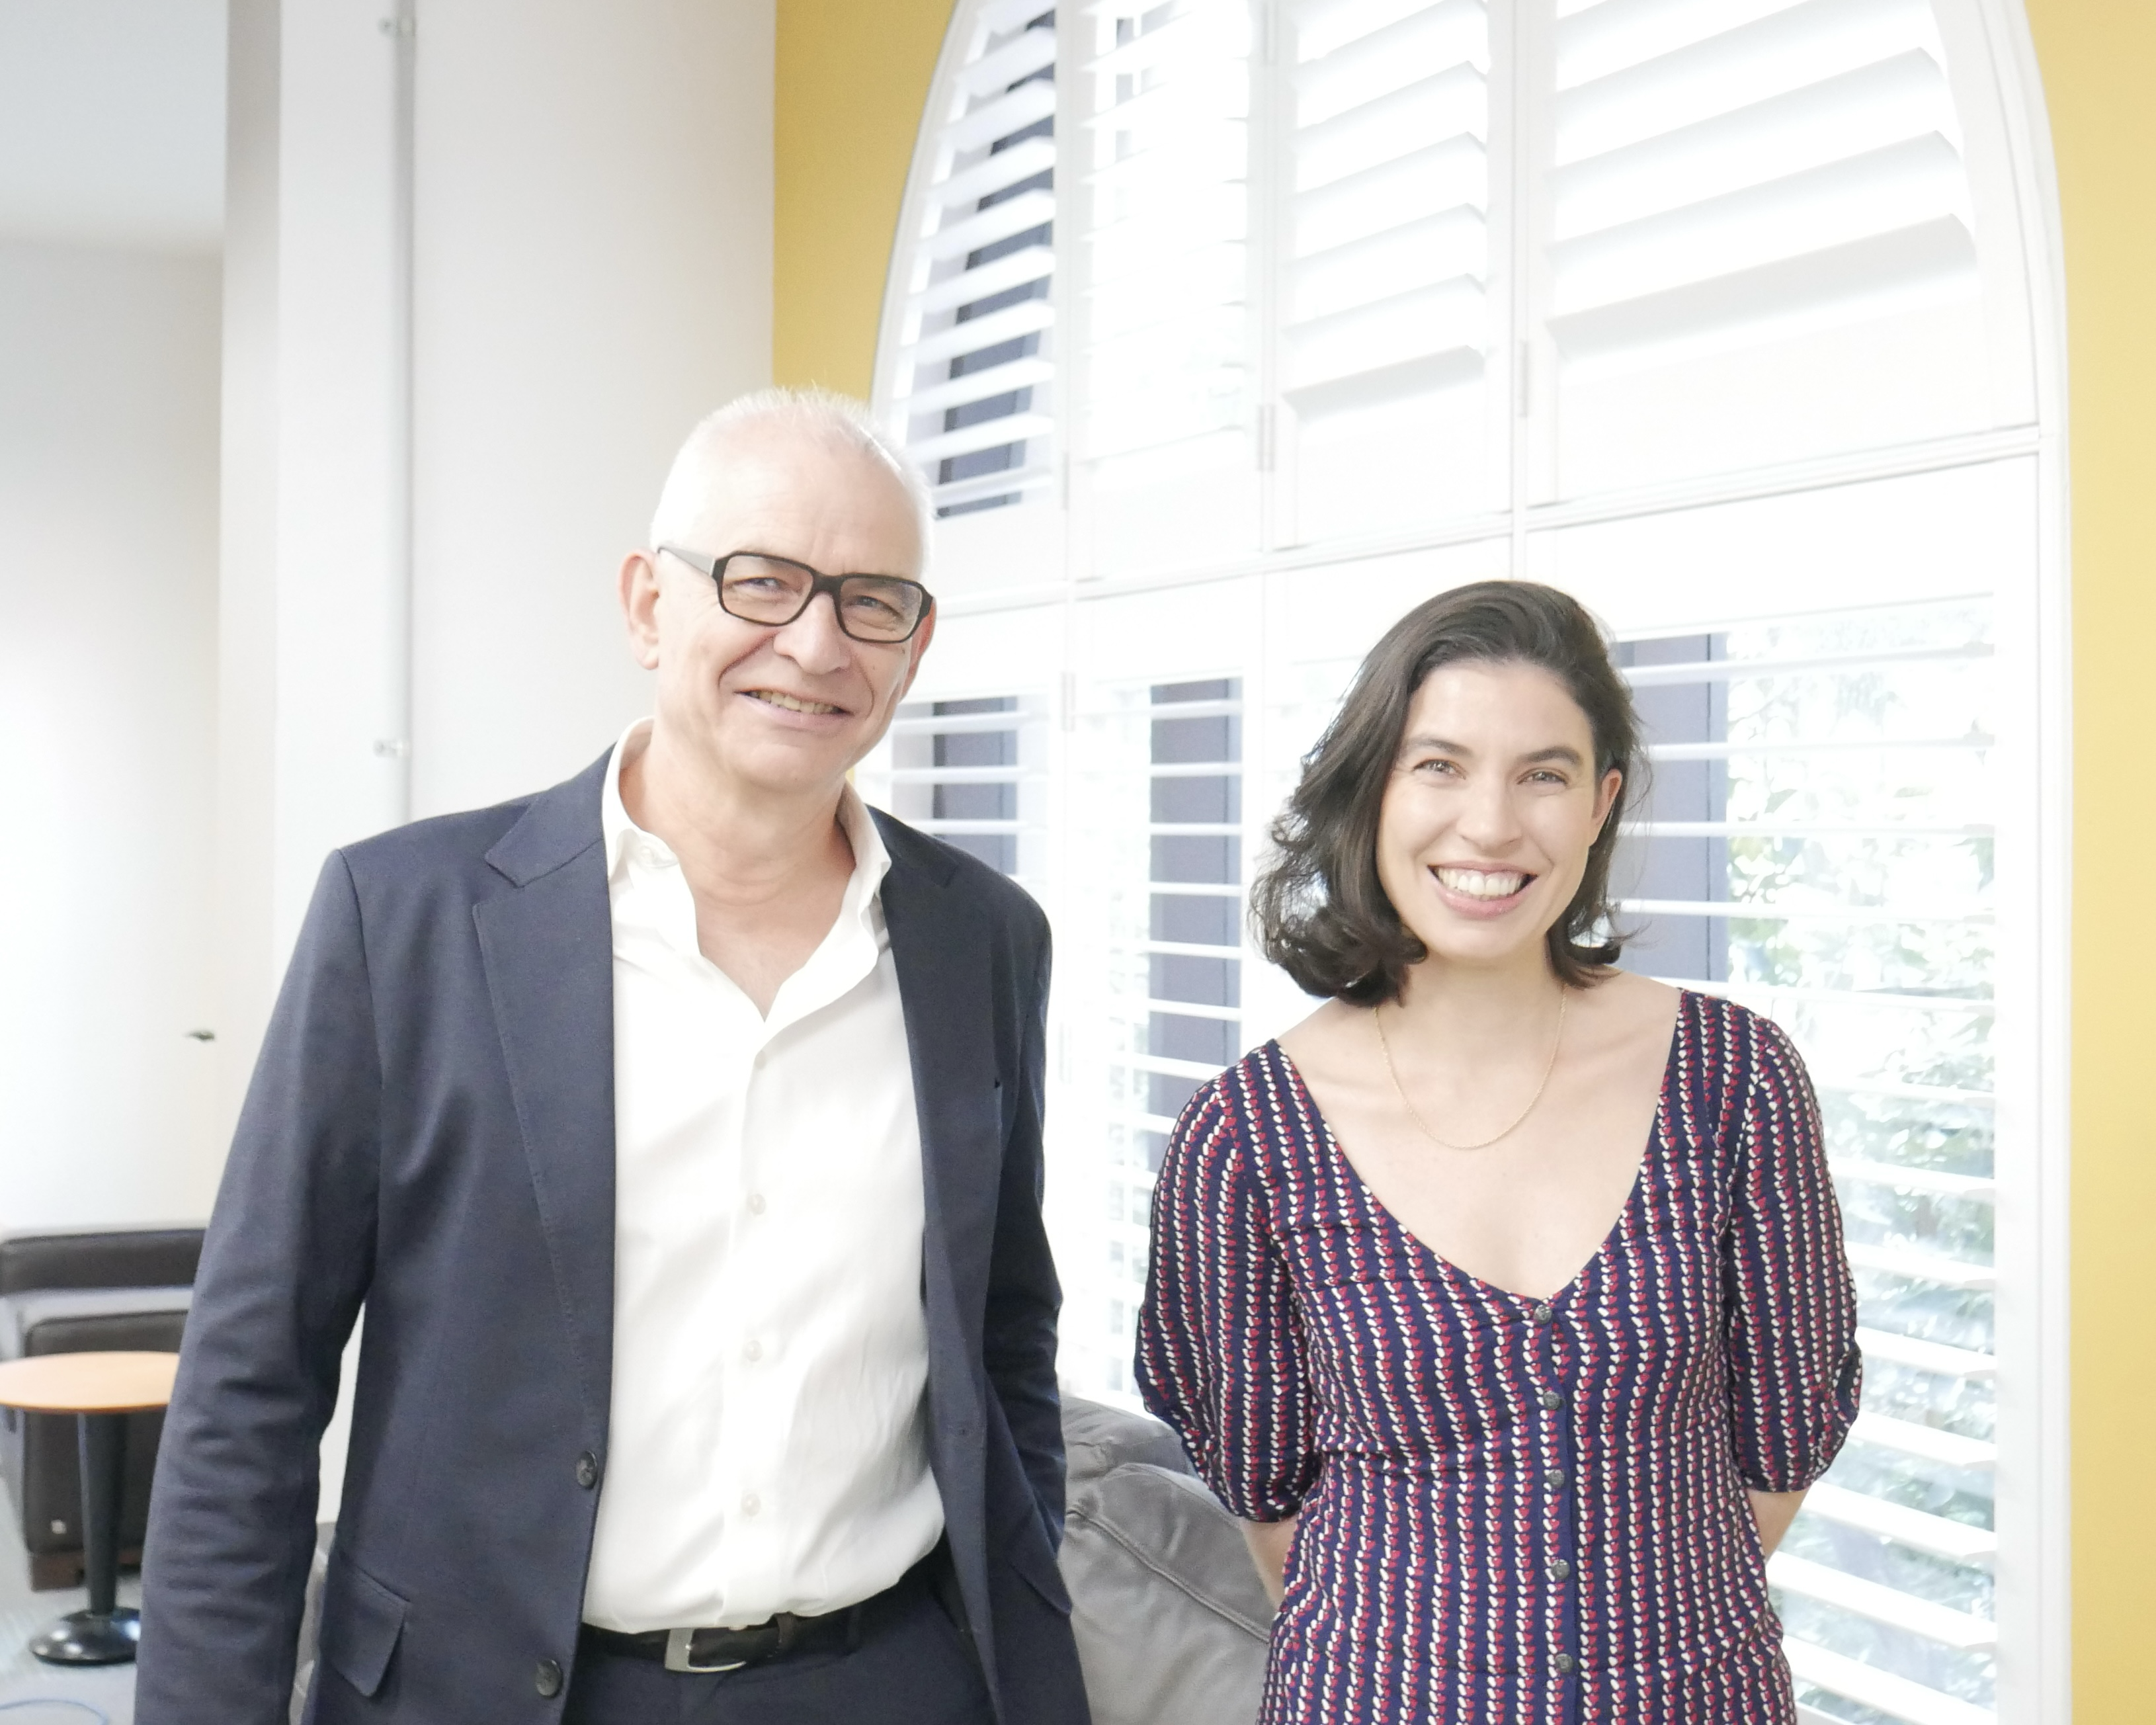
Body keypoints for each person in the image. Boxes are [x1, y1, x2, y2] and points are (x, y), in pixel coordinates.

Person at [138, 390, 1087, 1725]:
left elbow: (1002, 1322)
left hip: (891, 1675)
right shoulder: (407, 915)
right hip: (501, 1687)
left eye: (872, 599)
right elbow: (253, 1372)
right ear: (649, 604)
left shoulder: (983, 938)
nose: (814, 642)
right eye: (762, 582)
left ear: (914, 644)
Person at [1135, 581, 1860, 1724]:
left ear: (1599, 803)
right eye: (1440, 765)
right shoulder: (1245, 1139)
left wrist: (1631, 1657)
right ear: (1372, 788)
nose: (1490, 825)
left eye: (1544, 774)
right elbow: (1266, 1501)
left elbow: (1783, 1443)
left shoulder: (1736, 1080)